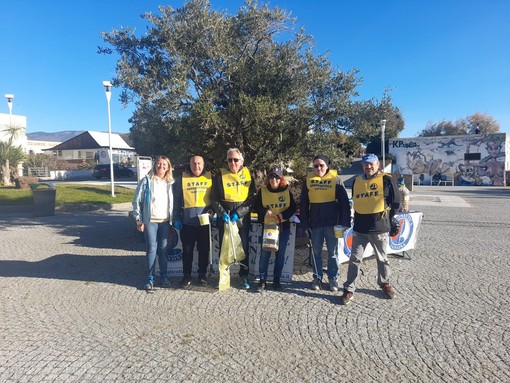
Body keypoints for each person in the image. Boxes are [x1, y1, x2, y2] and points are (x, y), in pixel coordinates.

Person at [341, 153, 401, 305]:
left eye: (371, 164)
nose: (368, 167)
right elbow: (355, 200)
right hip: (360, 228)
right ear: (362, 166)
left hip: (379, 228)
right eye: (365, 164)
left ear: (377, 165)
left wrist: (387, 218)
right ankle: (349, 288)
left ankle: (384, 283)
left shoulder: (387, 180)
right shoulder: (357, 181)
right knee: (354, 259)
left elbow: (396, 202)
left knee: (382, 259)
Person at [300, 154, 351, 292]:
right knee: (316, 252)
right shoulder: (308, 180)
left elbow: (344, 203)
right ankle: (317, 277)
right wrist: (305, 224)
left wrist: (345, 222)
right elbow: (303, 204)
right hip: (315, 223)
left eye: (321, 165)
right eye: (315, 166)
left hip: (332, 223)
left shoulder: (336, 179)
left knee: (332, 252)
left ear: (328, 165)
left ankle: (333, 278)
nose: (318, 168)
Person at [211, 148, 257, 289]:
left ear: (241, 161)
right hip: (225, 219)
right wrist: (222, 212)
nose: (233, 162)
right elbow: (214, 198)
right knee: (224, 250)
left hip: (241, 220)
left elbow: (252, 198)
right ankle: (223, 278)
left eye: (236, 160)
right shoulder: (219, 176)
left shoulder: (248, 176)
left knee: (243, 249)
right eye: (230, 160)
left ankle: (244, 276)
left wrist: (239, 213)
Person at [132, 156, 175, 290]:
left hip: (165, 221)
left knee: (163, 250)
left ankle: (164, 276)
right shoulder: (146, 181)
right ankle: (150, 277)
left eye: (164, 164)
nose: (161, 166)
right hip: (150, 221)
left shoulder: (171, 182)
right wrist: (138, 220)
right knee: (151, 248)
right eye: (159, 163)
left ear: (168, 167)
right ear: (155, 165)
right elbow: (136, 201)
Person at [253, 166, 297, 292]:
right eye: (271, 177)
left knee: (280, 254)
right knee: (265, 254)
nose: (274, 180)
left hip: (283, 227)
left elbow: (293, 207)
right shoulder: (263, 191)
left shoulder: (287, 191)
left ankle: (276, 280)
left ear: (281, 179)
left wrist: (283, 215)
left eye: (276, 177)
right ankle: (262, 280)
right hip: (268, 227)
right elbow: (256, 206)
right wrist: (264, 211)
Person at [173, 155, 213, 288]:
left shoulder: (210, 177)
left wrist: (213, 213)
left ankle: (202, 274)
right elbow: (177, 200)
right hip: (187, 222)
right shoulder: (182, 179)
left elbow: (215, 198)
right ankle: (187, 276)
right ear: (190, 165)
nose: (197, 166)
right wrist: (176, 217)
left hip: (204, 222)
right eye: (194, 163)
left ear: (203, 164)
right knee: (187, 251)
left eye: (199, 163)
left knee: (204, 250)